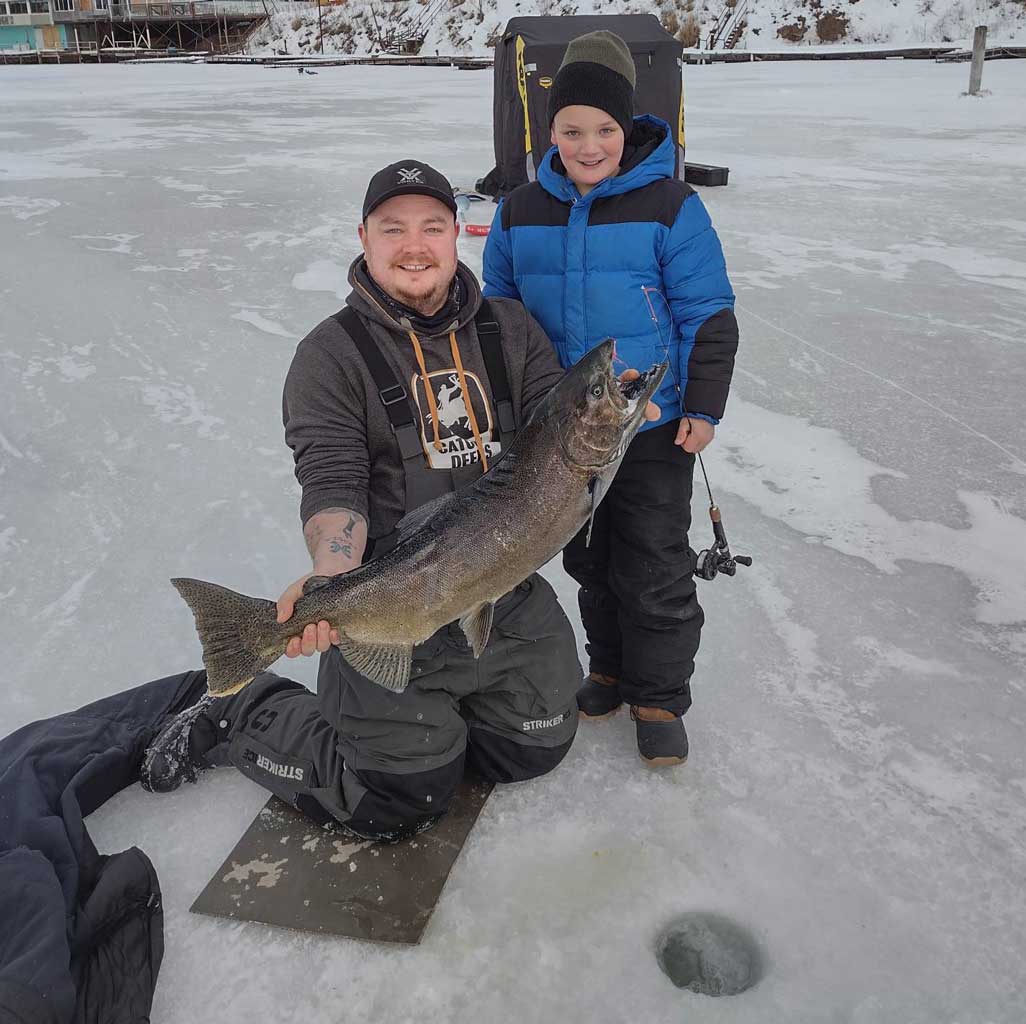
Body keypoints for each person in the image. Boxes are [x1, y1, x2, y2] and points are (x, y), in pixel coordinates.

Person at [141, 160, 585, 842]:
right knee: (395, 798)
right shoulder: (329, 356)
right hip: (391, 599)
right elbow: (333, 480)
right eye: (394, 229)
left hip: (499, 591)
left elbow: (557, 440)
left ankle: (434, 724)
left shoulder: (514, 330)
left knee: (533, 747)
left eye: (432, 227)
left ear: (455, 237)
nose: (415, 245)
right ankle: (243, 710)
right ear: (364, 237)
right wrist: (331, 576)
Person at [482, 30, 740, 768]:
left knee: (653, 564)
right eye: (571, 129)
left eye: (603, 129)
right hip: (557, 433)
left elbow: (709, 314)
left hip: (649, 428)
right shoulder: (519, 210)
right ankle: (610, 668)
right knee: (588, 562)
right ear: (549, 130)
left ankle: (659, 695)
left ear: (626, 130)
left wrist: (703, 407)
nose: (587, 145)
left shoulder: (671, 205)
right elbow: (499, 316)